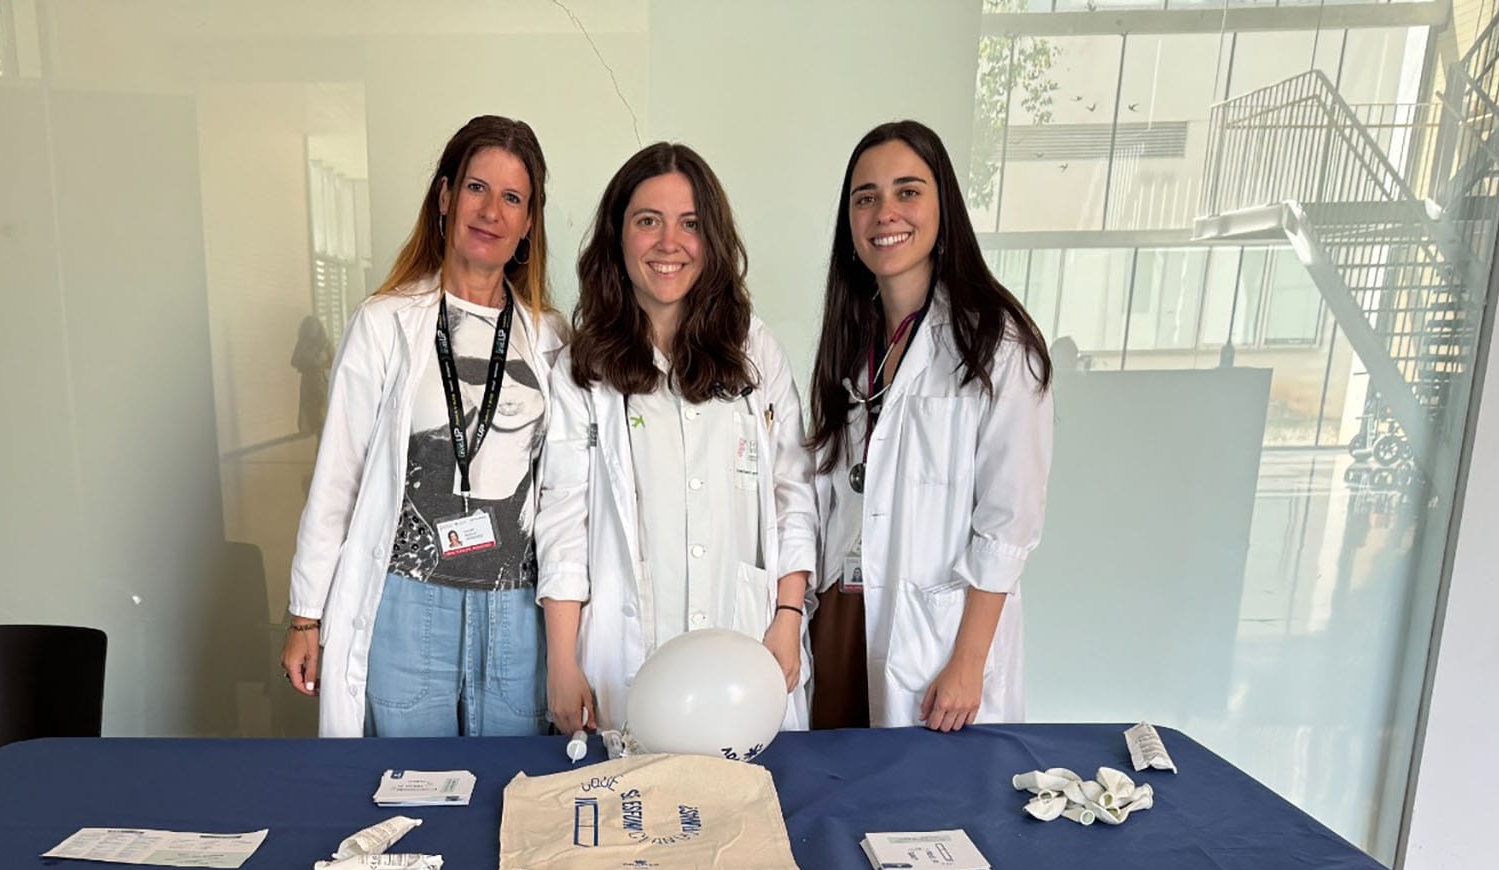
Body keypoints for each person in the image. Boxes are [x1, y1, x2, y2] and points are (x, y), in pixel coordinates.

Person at [283, 116, 564, 737]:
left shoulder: (550, 338)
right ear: (444, 197)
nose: (491, 212)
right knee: (409, 783)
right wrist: (306, 615)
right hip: (409, 607)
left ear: (528, 223)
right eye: (476, 188)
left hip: (519, 614)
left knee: (513, 783)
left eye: (512, 198)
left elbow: (567, 495)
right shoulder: (384, 323)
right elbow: (338, 478)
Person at [537, 143, 816, 737]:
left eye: (690, 224)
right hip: (624, 656)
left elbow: (793, 493)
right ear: (618, 237)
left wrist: (789, 616)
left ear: (712, 239)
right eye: (648, 221)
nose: (670, 243)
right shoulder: (583, 368)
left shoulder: (755, 352)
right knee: (635, 789)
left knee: (747, 786)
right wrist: (562, 660)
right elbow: (562, 521)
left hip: (746, 641)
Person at [804, 121, 1052, 731]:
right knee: (832, 782)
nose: (884, 213)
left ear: (944, 207)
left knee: (927, 789)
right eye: (865, 198)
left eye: (907, 192)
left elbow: (1008, 520)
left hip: (937, 635)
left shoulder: (997, 344)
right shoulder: (852, 340)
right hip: (843, 616)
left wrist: (968, 661)